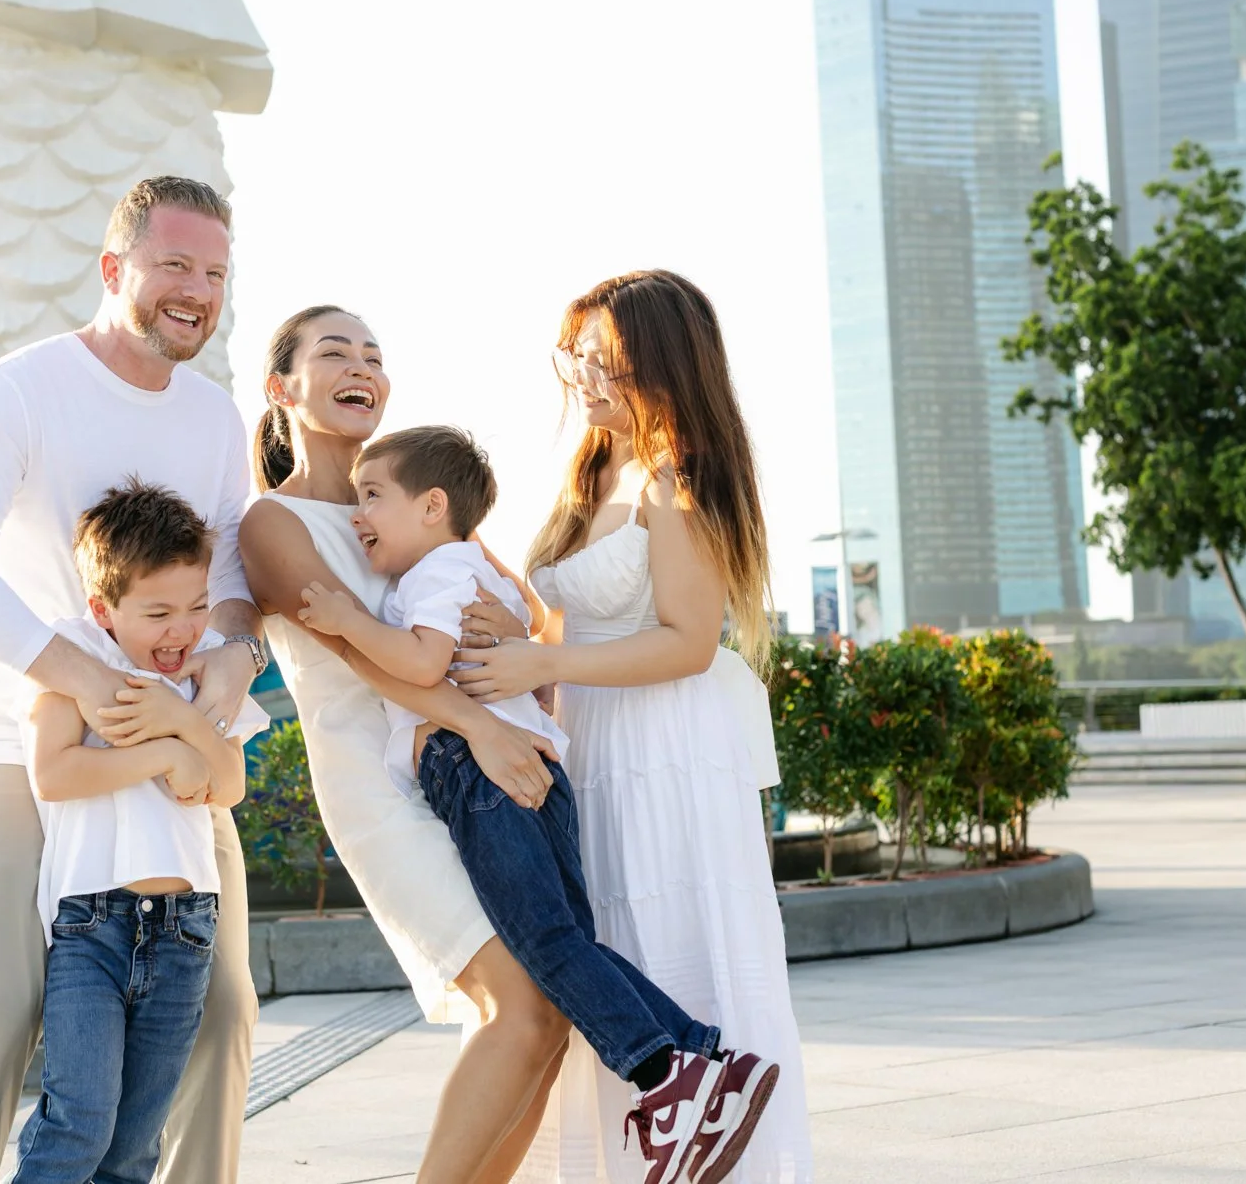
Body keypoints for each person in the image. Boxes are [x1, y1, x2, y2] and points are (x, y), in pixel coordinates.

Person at [297, 425, 779, 1184]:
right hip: (533, 769)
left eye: (373, 496)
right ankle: (701, 1061)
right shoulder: (461, 568)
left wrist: (347, 622)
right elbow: (518, 622)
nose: (359, 515)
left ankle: (668, 1074)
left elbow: (422, 662)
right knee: (566, 942)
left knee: (546, 946)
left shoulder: (433, 573)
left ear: (432, 507)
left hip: (481, 774)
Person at [0, 177, 263, 1184]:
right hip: (23, 747)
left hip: (170, 746)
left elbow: (234, 585)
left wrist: (233, 661)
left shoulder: (214, 418)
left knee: (224, 1006)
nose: (197, 290)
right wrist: (81, 681)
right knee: (2, 1001)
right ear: (113, 268)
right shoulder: (18, 391)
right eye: (174, 264)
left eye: (215, 273)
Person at [456, 270, 815, 1182]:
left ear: (660, 361)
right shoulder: (591, 471)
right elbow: (568, 625)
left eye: (601, 357)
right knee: (605, 946)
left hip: (669, 748)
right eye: (574, 355)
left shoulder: (677, 475)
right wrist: (519, 635)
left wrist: (542, 663)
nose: (580, 375)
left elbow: (689, 641)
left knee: (672, 940)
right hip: (595, 742)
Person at [237, 307, 575, 1184]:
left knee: (550, 1013)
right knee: (521, 1002)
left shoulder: (418, 497)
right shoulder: (270, 522)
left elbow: (522, 609)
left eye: (375, 355)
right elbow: (362, 652)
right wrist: (483, 725)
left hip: (475, 770)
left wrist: (512, 634)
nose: (363, 367)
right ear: (281, 388)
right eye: (336, 352)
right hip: (382, 787)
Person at [12, 482, 266, 1184]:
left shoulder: (206, 666)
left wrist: (182, 720)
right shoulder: (75, 654)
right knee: (79, 1122)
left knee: (132, 1147)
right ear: (104, 609)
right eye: (158, 613)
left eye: (196, 606)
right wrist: (163, 756)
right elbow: (54, 772)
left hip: (186, 930)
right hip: (93, 927)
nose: (182, 630)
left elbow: (229, 783)